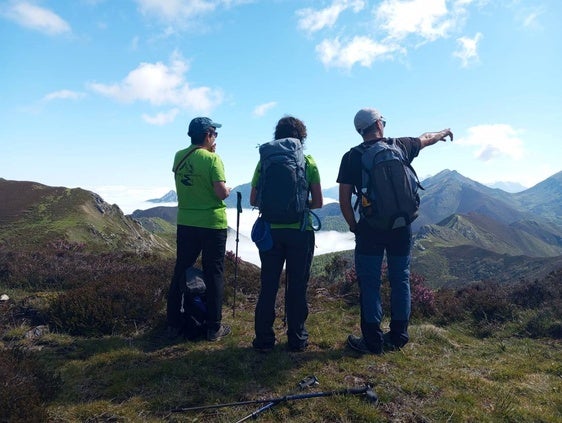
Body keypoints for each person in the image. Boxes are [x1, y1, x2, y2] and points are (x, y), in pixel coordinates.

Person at [337, 108, 453, 354]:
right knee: (400, 278)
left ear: (361, 131)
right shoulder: (401, 146)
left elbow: (345, 200)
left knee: (370, 283)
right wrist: (443, 132)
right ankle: (399, 336)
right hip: (402, 225)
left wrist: (354, 227)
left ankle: (372, 341)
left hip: (371, 228)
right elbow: (427, 137)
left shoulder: (352, 157)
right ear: (379, 124)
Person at [250, 116, 323, 352]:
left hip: (270, 232)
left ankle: (264, 339)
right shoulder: (308, 161)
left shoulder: (264, 162)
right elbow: (319, 202)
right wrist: (300, 205)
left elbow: (253, 199)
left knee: (268, 284)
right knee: (297, 285)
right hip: (300, 232)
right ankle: (297, 338)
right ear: (302, 137)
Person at [167, 117, 232, 342]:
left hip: (186, 221)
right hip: (212, 224)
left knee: (181, 268)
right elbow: (221, 193)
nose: (215, 139)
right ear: (207, 135)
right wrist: (229, 188)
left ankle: (174, 322)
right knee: (214, 273)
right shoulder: (213, 160)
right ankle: (213, 327)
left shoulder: (179, 156)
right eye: (214, 134)